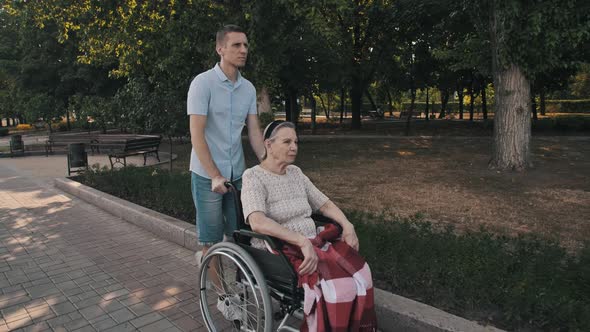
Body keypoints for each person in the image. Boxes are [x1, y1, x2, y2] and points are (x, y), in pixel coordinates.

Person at [240, 121, 377, 331]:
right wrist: (300, 240)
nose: (294, 146)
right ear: (268, 144)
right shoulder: (253, 176)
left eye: (296, 141)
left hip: (312, 244)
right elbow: (257, 221)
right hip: (279, 249)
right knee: (338, 286)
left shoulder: (295, 172)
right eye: (287, 141)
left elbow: (324, 204)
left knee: (361, 272)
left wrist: (347, 225)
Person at [187, 25, 264, 270]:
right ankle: (223, 299)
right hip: (206, 174)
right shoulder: (202, 84)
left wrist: (268, 163)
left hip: (237, 173)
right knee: (211, 242)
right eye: (236, 45)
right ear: (220, 49)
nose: (243, 50)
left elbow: (253, 131)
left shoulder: (248, 88)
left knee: (239, 234)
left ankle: (239, 288)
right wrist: (214, 175)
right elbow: (196, 135)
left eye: (246, 45)